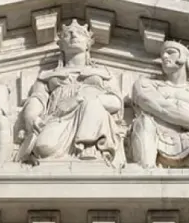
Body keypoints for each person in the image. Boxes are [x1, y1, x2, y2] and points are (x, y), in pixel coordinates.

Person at [17, 20, 124, 165]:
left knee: (92, 103)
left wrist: (80, 99)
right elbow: (37, 98)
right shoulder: (47, 75)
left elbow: (116, 102)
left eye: (80, 33)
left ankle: (88, 147)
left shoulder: (103, 73)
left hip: (92, 115)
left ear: (88, 43)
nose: (73, 34)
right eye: (68, 34)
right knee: (43, 147)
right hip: (58, 116)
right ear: (61, 45)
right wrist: (32, 117)